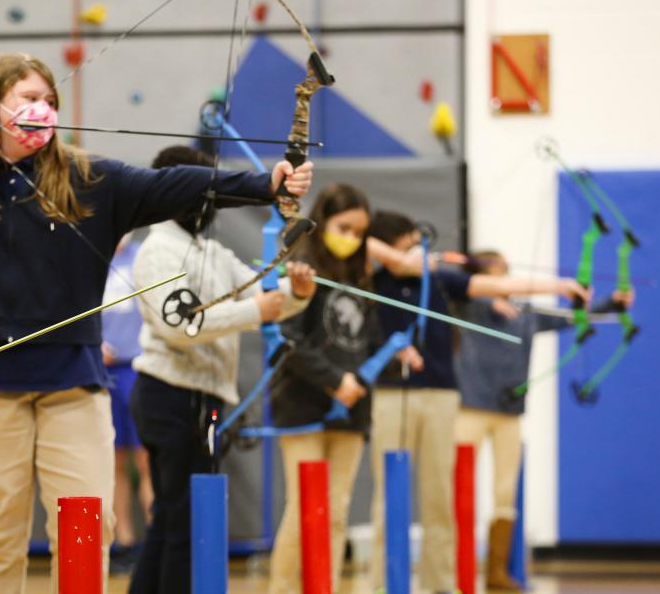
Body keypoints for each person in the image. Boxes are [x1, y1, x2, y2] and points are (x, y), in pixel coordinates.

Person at [0, 52, 314, 593]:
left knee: (85, 530)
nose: (42, 110)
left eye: (49, 100)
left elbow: (173, 184)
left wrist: (267, 185)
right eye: (28, 99)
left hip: (74, 388)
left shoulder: (91, 179)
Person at [367, 211, 589, 594]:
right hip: (391, 395)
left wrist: (560, 284)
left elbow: (493, 283)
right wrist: (399, 259)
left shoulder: (439, 281)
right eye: (408, 242)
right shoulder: (372, 278)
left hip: (440, 394)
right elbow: (362, 244)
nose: (418, 251)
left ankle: (441, 585)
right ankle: (380, 585)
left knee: (439, 499)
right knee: (388, 498)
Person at [129, 145, 316, 594]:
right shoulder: (158, 250)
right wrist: (258, 310)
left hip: (198, 397)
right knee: (186, 521)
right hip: (169, 395)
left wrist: (299, 290)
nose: (206, 203)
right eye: (198, 192)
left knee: (176, 517)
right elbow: (181, 325)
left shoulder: (209, 249)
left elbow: (261, 293)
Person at [267, 184, 418, 593]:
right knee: (304, 509)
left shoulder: (359, 276)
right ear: (323, 222)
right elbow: (288, 340)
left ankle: (324, 586)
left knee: (335, 512)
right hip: (302, 405)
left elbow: (364, 343)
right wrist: (335, 382)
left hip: (351, 410)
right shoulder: (298, 267)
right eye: (343, 227)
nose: (351, 238)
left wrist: (393, 356)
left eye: (359, 232)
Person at [452, 250, 630, 591]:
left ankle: (496, 573)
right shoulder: (469, 308)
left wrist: (612, 304)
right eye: (494, 275)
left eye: (506, 274)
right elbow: (452, 284)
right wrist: (475, 281)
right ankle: (457, 572)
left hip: (508, 412)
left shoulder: (526, 315)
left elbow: (570, 317)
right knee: (459, 489)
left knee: (505, 493)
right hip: (469, 408)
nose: (504, 282)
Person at [101, 234, 153, 571]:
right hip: (105, 372)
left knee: (147, 459)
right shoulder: (94, 258)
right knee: (114, 462)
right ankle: (124, 541)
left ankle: (155, 538)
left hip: (139, 368)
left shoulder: (143, 258)